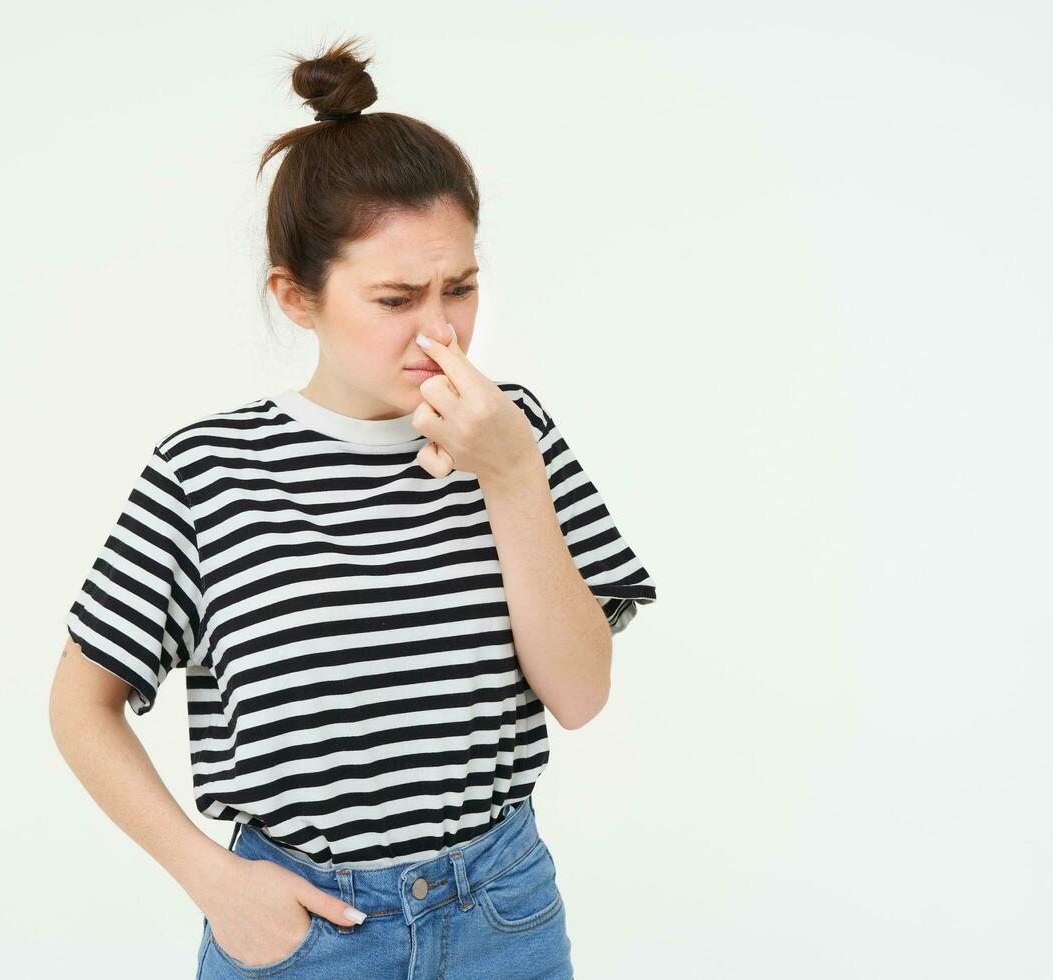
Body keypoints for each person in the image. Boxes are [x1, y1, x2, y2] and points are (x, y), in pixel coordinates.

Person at [48, 35, 658, 979]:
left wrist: (508, 475)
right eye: (395, 297)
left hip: (501, 910)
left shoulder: (513, 432)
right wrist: (212, 880)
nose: (440, 329)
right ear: (298, 298)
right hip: (302, 925)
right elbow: (80, 705)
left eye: (460, 288)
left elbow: (579, 697)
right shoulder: (209, 471)